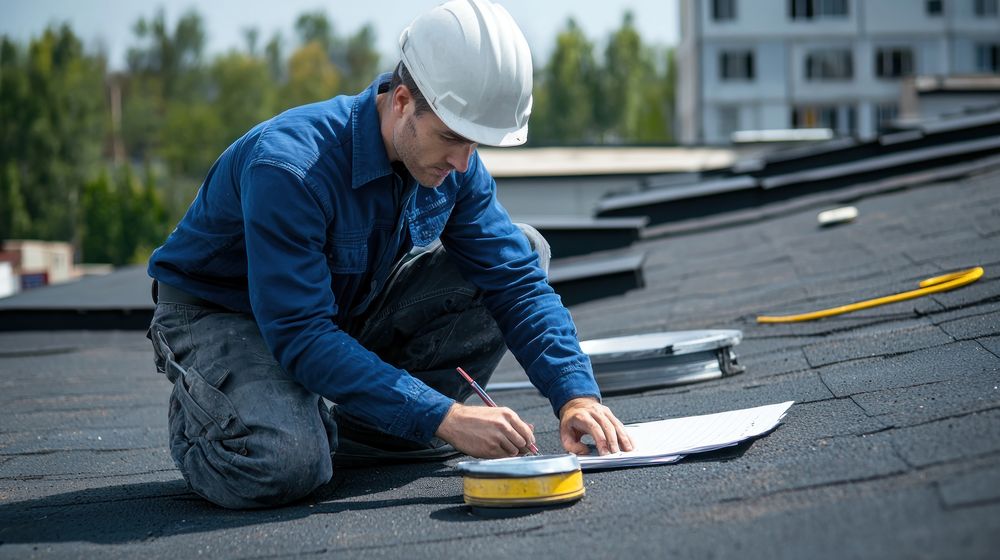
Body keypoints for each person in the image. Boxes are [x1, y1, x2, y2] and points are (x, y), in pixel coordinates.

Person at [146, 0, 632, 510]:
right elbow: (300, 334)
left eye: (476, 144)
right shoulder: (290, 168)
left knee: (524, 249)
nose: (463, 160)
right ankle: (212, 425)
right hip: (222, 318)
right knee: (285, 463)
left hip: (335, 311)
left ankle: (348, 428)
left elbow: (515, 283)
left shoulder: (454, 163)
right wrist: (444, 416)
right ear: (401, 101)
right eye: (451, 137)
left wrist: (575, 395)